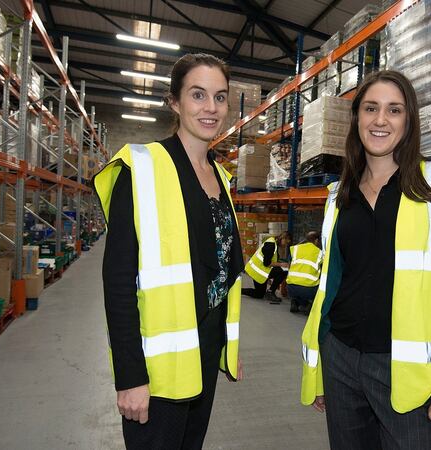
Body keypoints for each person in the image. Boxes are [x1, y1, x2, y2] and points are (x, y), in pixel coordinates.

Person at [300, 70, 431, 449]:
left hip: (408, 371)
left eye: (394, 110)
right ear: (357, 119)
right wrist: (320, 367)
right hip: (341, 359)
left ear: (408, 120)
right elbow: (331, 285)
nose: (381, 120)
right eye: (371, 108)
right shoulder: (338, 196)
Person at [95, 53, 244, 450]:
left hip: (204, 353)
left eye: (220, 97)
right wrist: (129, 377)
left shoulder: (221, 179)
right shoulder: (141, 168)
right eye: (198, 95)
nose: (210, 108)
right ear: (174, 102)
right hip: (157, 372)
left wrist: (227, 348)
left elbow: (220, 272)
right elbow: (119, 281)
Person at [243, 231, 291, 304]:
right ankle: (239, 291)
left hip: (261, 270)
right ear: (283, 238)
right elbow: (267, 263)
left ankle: (270, 292)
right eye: (286, 242)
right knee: (259, 294)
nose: (286, 245)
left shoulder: (274, 243)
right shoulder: (271, 244)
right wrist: (281, 264)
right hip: (258, 271)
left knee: (282, 271)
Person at [286, 231, 322, 313]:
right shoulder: (319, 253)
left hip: (291, 287)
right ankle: (309, 304)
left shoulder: (295, 248)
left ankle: (294, 301)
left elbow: (289, 265)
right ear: (316, 240)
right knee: (320, 283)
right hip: (309, 289)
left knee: (299, 291)